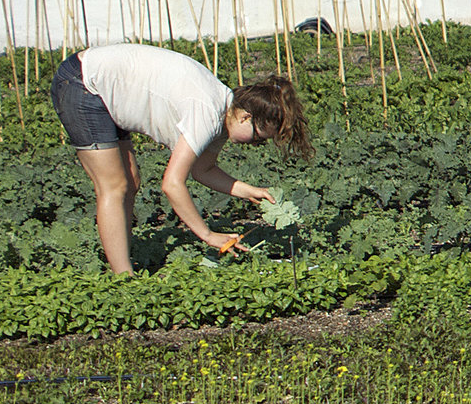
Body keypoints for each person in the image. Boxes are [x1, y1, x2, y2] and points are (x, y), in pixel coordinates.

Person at [49, 44, 312, 273]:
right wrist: (208, 235)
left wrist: (248, 191)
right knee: (114, 186)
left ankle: (123, 260)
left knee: (130, 181)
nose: (256, 144)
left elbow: (203, 170)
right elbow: (172, 184)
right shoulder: (207, 112)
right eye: (258, 137)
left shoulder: (224, 112)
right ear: (245, 117)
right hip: (84, 83)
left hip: (107, 86)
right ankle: (123, 280)